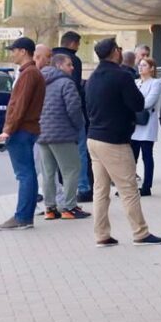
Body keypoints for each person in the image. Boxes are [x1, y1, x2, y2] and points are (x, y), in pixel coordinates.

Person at [86, 38, 161, 247]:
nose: (121, 52)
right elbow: (138, 104)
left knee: (100, 190)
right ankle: (140, 233)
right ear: (114, 52)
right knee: (129, 188)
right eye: (119, 49)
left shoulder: (93, 77)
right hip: (115, 140)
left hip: (94, 138)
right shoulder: (121, 76)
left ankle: (101, 234)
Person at [0, 36, 45, 231]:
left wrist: (7, 129)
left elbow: (20, 105)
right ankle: (26, 216)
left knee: (24, 174)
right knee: (28, 173)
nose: (12, 54)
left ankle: (22, 216)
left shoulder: (28, 74)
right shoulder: (32, 73)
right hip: (28, 129)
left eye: (14, 50)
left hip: (21, 130)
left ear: (23, 51)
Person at [39, 53, 90, 221]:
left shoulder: (40, 82)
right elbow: (74, 108)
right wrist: (79, 126)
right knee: (71, 170)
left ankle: (50, 208)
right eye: (69, 64)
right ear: (59, 65)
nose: (72, 68)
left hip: (43, 133)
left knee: (48, 172)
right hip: (63, 134)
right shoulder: (66, 83)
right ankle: (69, 207)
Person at [52, 30, 91, 203]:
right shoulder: (73, 60)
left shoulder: (51, 58)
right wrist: (80, 119)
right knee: (80, 150)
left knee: (52, 157)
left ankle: (56, 193)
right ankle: (83, 188)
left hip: (53, 117)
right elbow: (74, 89)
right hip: (72, 113)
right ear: (73, 43)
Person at [131, 57, 161, 197]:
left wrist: (133, 105)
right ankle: (129, 186)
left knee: (147, 156)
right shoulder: (135, 82)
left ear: (151, 68)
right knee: (132, 157)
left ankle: (147, 186)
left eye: (144, 65)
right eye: (140, 65)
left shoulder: (156, 83)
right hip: (134, 125)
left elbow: (149, 102)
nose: (140, 67)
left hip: (147, 123)